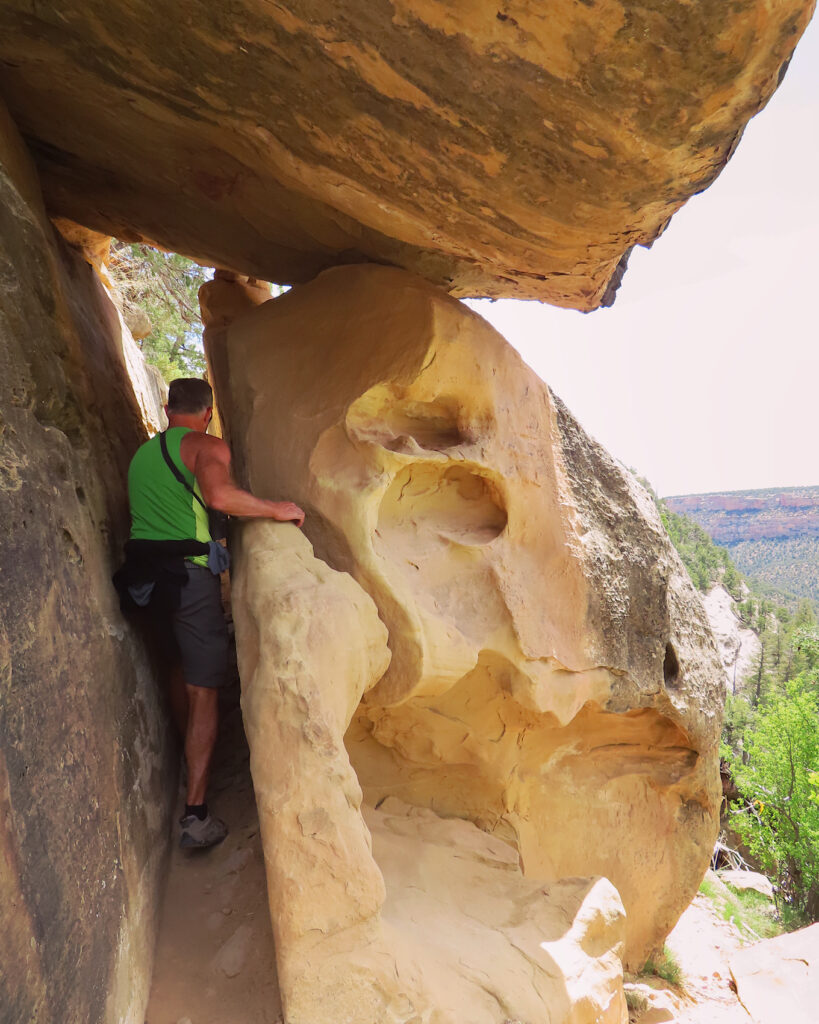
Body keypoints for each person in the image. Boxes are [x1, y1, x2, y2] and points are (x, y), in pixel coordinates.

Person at [123, 377, 304, 848]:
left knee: (179, 667)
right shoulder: (208, 446)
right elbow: (220, 498)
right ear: (207, 412)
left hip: (145, 581)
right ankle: (195, 814)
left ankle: (189, 755)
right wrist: (274, 508)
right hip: (188, 579)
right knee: (205, 688)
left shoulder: (144, 454)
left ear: (168, 410)